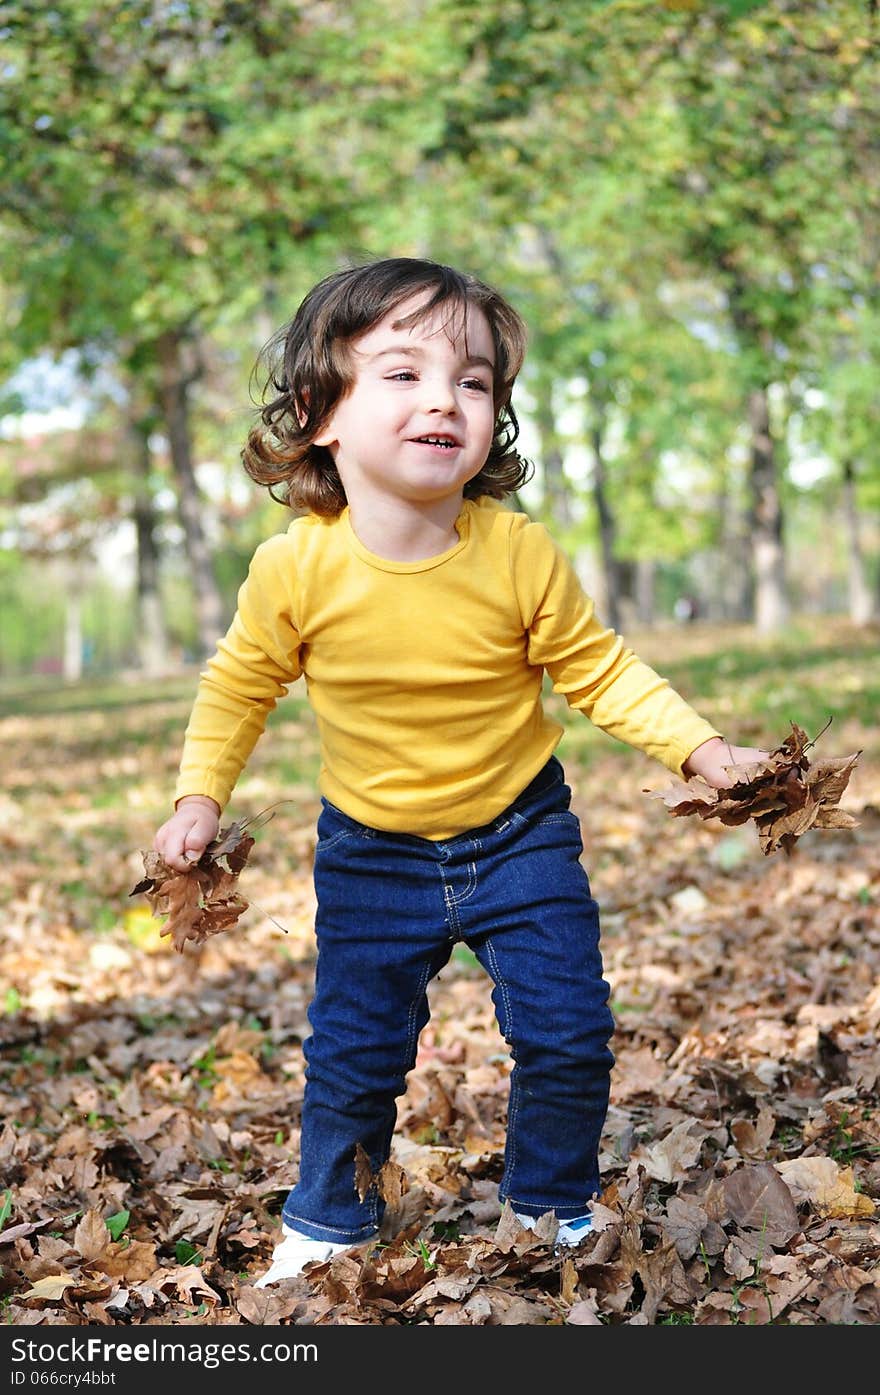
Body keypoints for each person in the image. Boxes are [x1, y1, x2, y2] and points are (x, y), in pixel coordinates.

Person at [153, 257, 766, 1287]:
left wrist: (702, 752)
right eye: (402, 373)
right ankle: (330, 1220)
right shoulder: (294, 568)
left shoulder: (515, 553)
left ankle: (548, 1204)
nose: (445, 397)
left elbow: (599, 669)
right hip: (371, 852)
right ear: (318, 413)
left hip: (519, 831)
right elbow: (238, 688)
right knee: (355, 1049)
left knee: (568, 1029)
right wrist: (198, 798)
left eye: (473, 381)